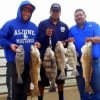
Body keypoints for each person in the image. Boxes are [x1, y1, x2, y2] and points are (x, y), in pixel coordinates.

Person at [0, 0, 40, 100]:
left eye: (29, 11)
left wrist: (37, 43)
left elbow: (36, 40)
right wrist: (10, 45)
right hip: (14, 66)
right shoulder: (10, 24)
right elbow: (1, 38)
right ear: (20, 10)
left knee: (24, 94)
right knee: (13, 95)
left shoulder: (34, 26)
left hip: (28, 66)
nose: (27, 13)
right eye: (25, 10)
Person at [36, 3, 69, 100]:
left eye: (57, 11)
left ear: (60, 12)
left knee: (60, 80)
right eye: (53, 11)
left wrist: (65, 43)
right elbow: (38, 40)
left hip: (60, 57)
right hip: (45, 57)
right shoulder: (43, 24)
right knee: (41, 81)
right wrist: (45, 34)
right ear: (50, 12)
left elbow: (66, 42)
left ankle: (61, 97)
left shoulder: (64, 26)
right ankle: (40, 98)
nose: (55, 13)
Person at [69, 9, 100, 100]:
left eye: (80, 15)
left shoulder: (94, 25)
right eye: (76, 16)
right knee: (82, 89)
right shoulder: (72, 29)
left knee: (97, 88)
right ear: (74, 18)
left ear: (85, 16)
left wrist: (91, 39)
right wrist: (70, 41)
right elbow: (69, 44)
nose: (78, 17)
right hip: (79, 63)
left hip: (94, 62)